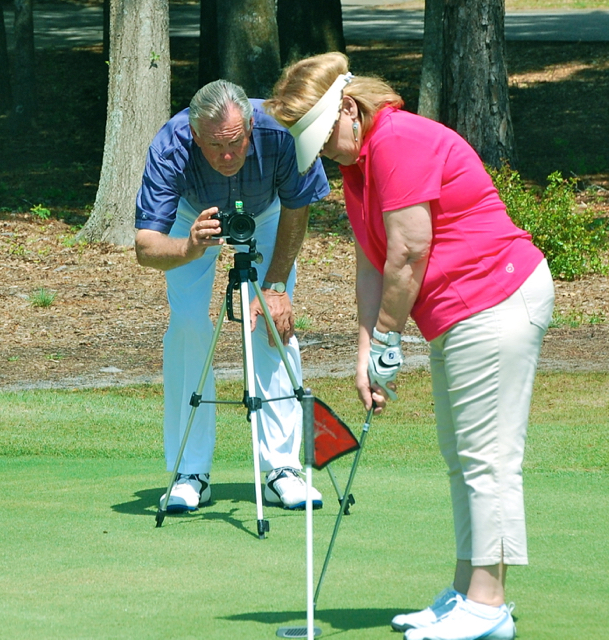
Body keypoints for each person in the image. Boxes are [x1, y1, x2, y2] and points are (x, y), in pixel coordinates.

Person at [264, 52, 554, 640]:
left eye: (321, 137)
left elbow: (409, 252)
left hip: (497, 297)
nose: (321, 151)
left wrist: (392, 340)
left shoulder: (397, 141)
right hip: (459, 312)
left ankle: (489, 603)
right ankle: (467, 593)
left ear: (349, 108)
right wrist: (366, 350)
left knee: (486, 457)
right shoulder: (357, 165)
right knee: (462, 455)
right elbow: (372, 263)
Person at [135, 79, 329, 512]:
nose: (227, 157)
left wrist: (276, 287)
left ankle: (283, 468)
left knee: (271, 324)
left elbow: (298, 207)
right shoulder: (170, 146)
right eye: (214, 146)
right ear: (194, 136)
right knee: (187, 323)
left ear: (251, 128)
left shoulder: (281, 131)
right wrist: (189, 246)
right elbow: (146, 248)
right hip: (194, 216)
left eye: (235, 144)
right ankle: (190, 473)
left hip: (268, 212)